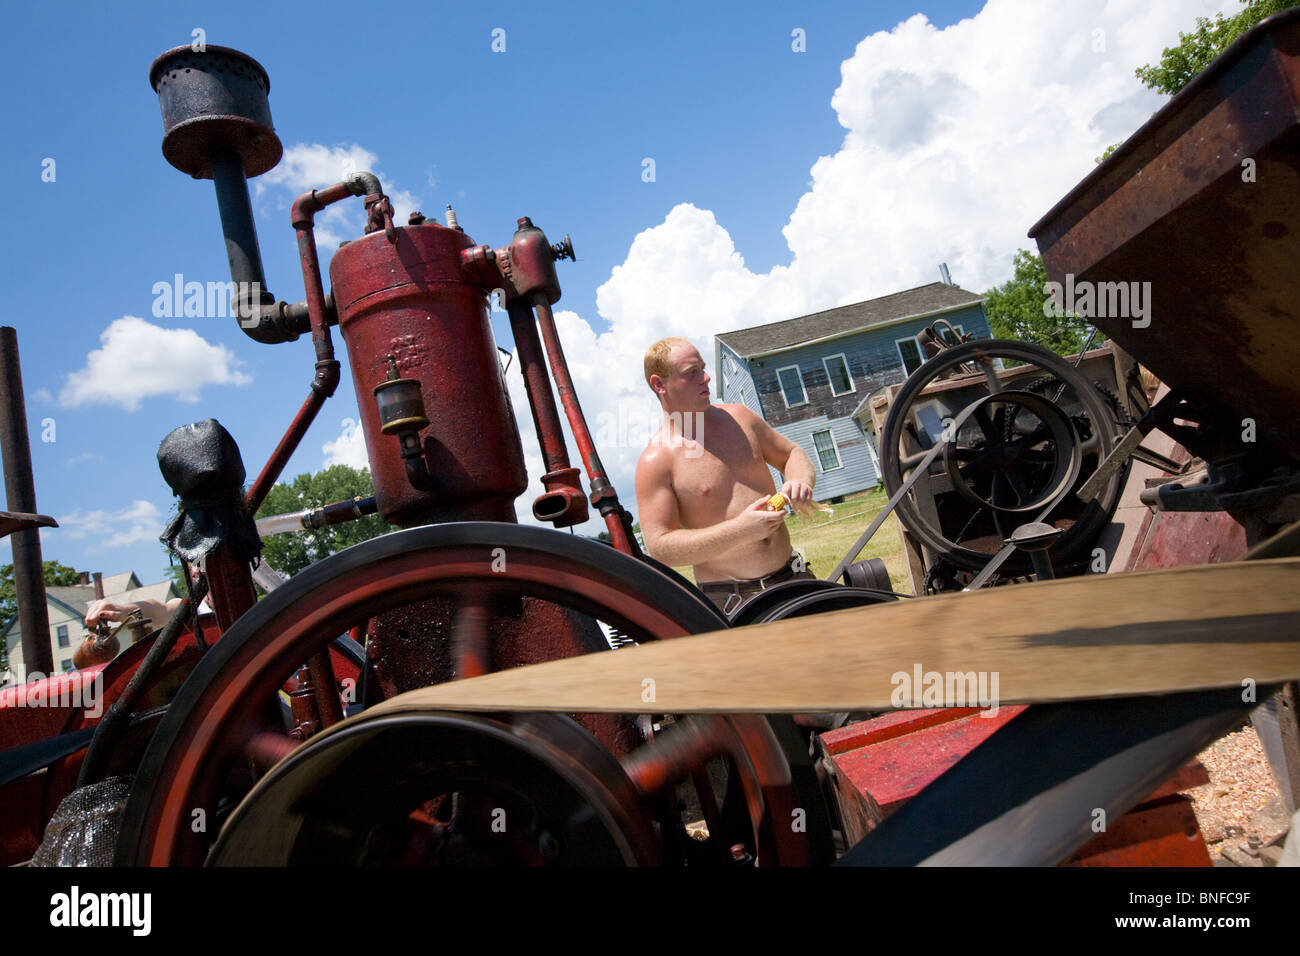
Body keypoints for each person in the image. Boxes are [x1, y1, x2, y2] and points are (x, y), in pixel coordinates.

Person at [635, 337, 819, 616]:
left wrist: (799, 482)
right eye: (691, 373)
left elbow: (792, 454)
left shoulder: (741, 418)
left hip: (795, 575)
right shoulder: (655, 461)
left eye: (704, 368)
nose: (706, 378)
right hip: (734, 603)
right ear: (659, 384)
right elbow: (661, 547)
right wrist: (741, 531)